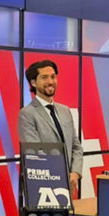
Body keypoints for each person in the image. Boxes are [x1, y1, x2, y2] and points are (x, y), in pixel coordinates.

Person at [17, 60, 82, 200]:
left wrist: (75, 173)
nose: (51, 81)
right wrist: (59, 177)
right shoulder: (27, 114)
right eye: (44, 77)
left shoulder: (65, 110)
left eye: (53, 76)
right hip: (43, 187)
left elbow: (76, 146)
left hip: (68, 186)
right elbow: (34, 153)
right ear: (33, 83)